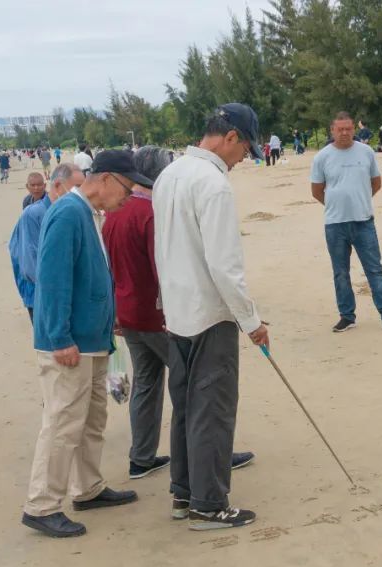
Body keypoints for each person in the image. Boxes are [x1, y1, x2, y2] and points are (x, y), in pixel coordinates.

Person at [102, 146, 257, 481]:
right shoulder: (148, 212)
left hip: (127, 311)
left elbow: (110, 267)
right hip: (158, 314)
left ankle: (141, 456)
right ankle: (212, 456)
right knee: (197, 388)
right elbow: (164, 266)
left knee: (147, 382)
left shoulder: (114, 212)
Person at [21, 150, 153, 538]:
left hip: (93, 340)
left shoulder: (91, 214)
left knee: (92, 420)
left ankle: (88, 488)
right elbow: (53, 278)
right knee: (63, 423)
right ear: (107, 180)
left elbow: (93, 274)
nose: (128, 198)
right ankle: (42, 504)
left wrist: (108, 317)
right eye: (127, 189)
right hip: (69, 343)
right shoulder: (67, 213)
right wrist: (59, 337)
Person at [153, 103, 269, 530]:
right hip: (209, 313)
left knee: (185, 408)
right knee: (213, 412)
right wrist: (252, 321)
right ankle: (209, 503)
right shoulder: (213, 183)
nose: (242, 160)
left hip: (177, 311)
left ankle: (183, 493)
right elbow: (225, 265)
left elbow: (163, 249)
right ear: (231, 137)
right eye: (245, 151)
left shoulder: (170, 173)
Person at [310, 111, 382, 333]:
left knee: (374, 269)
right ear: (332, 131)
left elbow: (376, 182)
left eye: (348, 128)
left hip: (364, 222)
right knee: (341, 272)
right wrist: (337, 204)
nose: (344, 132)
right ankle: (347, 316)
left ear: (354, 129)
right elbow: (317, 191)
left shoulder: (366, 153)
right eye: (340, 129)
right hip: (335, 224)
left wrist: (360, 201)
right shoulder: (322, 157)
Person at [9, 166, 84, 320]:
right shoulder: (33, 213)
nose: (81, 193)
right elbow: (31, 262)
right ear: (57, 185)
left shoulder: (65, 210)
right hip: (42, 292)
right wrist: (57, 292)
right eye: (76, 188)